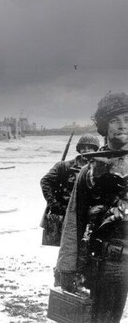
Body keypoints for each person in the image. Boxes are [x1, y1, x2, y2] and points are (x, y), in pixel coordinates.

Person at [56, 92, 128, 323]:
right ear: (105, 126)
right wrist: (66, 267)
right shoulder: (90, 171)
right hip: (110, 263)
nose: (122, 126)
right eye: (115, 120)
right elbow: (73, 220)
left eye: (127, 119)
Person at [40, 134, 100, 278]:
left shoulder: (100, 168)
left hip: (89, 215)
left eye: (90, 148)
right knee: (67, 249)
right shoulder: (64, 166)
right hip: (68, 215)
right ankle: (61, 277)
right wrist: (54, 205)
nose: (86, 151)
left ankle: (80, 278)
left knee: (87, 249)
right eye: (83, 148)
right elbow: (45, 182)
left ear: (96, 150)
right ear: (79, 150)